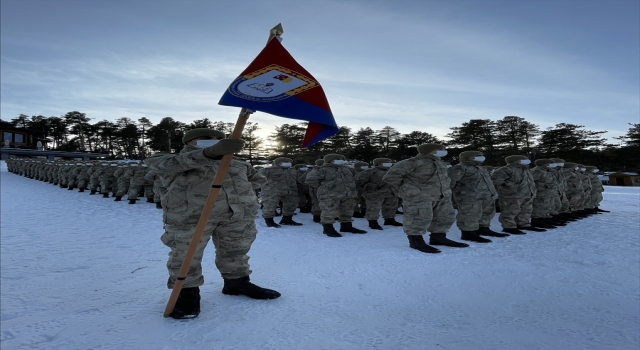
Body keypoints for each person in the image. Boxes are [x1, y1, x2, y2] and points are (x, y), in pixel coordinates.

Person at [145, 128, 280, 320]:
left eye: (218, 139)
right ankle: (187, 293)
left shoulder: (237, 162)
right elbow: (162, 165)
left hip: (236, 215)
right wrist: (209, 153)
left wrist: (245, 196)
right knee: (186, 255)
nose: (214, 141)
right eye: (207, 138)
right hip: (191, 216)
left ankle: (236, 282)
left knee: (236, 250)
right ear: (190, 142)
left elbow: (257, 179)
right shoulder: (171, 161)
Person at [382, 144, 467, 254]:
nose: (443, 151)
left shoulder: (440, 162)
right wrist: (410, 189)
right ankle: (416, 241)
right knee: (418, 218)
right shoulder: (412, 162)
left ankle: (438, 237)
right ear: (429, 151)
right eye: (439, 149)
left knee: (445, 217)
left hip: (441, 196)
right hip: (419, 197)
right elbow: (390, 177)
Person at [448, 151, 507, 241]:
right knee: (470, 215)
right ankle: (468, 233)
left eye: (481, 155)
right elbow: (450, 183)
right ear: (468, 157)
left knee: (486, 214)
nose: (481, 157)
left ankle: (483, 228)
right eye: (477, 156)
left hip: (487, 196)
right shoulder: (459, 168)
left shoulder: (480, 168)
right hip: (469, 197)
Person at [304, 154, 367, 237]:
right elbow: (310, 181)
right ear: (330, 160)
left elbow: (355, 179)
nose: (341, 160)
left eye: (341, 159)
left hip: (348, 195)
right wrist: (326, 188)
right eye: (337, 159)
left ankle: (346, 226)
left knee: (347, 211)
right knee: (329, 212)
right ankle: (328, 228)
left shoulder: (347, 169)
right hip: (329, 196)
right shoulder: (321, 170)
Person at [491, 155, 544, 234]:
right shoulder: (506, 169)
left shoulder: (526, 169)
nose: (527, 161)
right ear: (515, 161)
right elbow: (495, 179)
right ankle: (509, 227)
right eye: (523, 160)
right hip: (511, 195)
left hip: (527, 194)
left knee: (526, 210)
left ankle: (523, 224)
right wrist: (509, 185)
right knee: (510, 211)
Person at [354, 158, 402, 230]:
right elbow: (358, 182)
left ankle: (389, 219)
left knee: (391, 206)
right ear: (378, 164)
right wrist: (364, 191)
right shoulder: (370, 171)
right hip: (375, 194)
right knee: (373, 208)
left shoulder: (393, 171)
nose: (389, 163)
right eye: (386, 162)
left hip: (391, 192)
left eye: (389, 162)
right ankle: (372, 222)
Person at [259, 157, 302, 227]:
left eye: (289, 162)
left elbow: (298, 180)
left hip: (290, 191)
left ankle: (287, 219)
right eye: (285, 161)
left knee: (291, 204)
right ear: (278, 163)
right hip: (273, 191)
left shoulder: (292, 170)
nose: (288, 163)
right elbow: (257, 178)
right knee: (270, 206)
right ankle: (269, 221)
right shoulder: (268, 170)